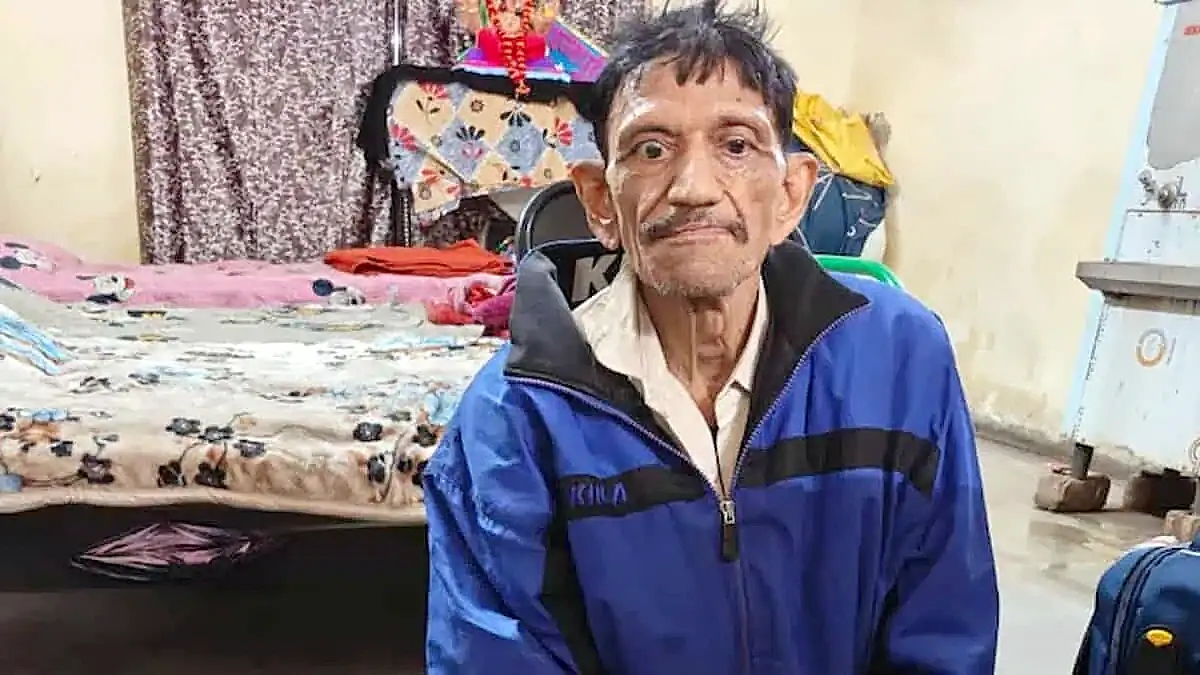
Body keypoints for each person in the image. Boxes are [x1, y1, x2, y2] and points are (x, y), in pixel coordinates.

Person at [423, 1, 1000, 673]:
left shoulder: (900, 360)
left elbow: (943, 629)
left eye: (736, 146)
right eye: (651, 149)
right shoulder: (514, 417)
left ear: (789, 195)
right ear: (601, 202)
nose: (694, 188)